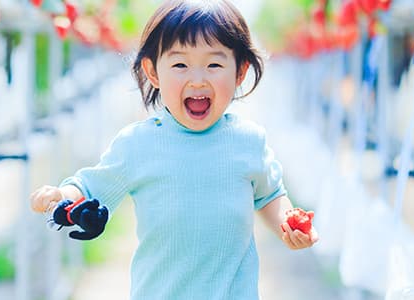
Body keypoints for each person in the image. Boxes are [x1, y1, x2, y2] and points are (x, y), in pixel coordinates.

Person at [30, 0, 319, 298]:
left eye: (214, 65)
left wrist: (288, 224)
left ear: (240, 72)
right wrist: (63, 196)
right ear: (153, 72)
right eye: (180, 64)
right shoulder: (138, 144)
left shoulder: (248, 141)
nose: (197, 79)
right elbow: (91, 186)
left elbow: (270, 195)